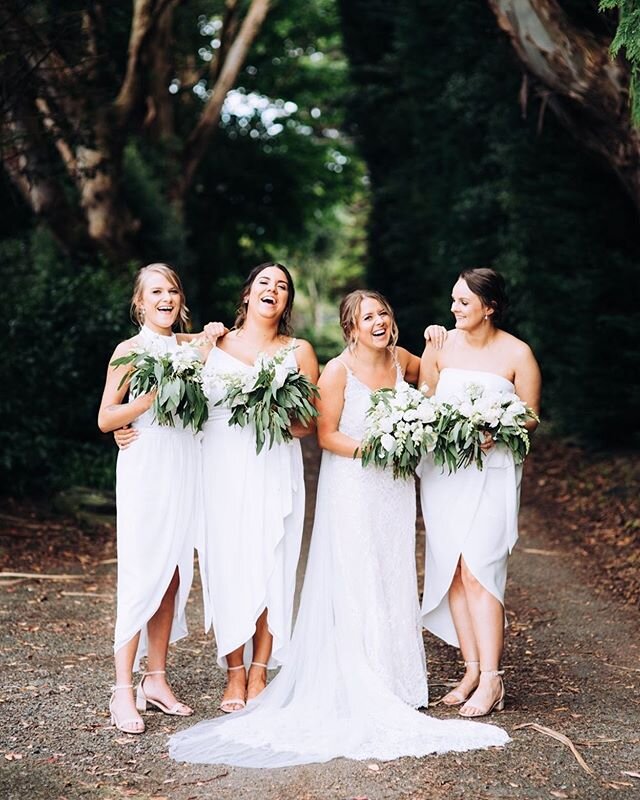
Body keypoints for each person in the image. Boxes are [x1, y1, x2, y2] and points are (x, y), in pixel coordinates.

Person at [168, 289, 509, 767]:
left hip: (392, 489)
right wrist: (378, 448)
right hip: (351, 483)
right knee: (355, 574)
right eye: (368, 317)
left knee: (392, 573)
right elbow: (325, 436)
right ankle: (355, 676)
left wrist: (437, 341)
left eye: (384, 314)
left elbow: (438, 378)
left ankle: (397, 681)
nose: (379, 322)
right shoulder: (336, 369)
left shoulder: (401, 360)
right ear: (350, 327)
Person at [98, 263, 223, 734]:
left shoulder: (192, 347)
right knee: (141, 572)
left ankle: (156, 679)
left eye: (171, 290)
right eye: (156, 291)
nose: (165, 298)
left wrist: (211, 335)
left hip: (186, 465)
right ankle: (122, 690)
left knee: (173, 574)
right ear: (140, 302)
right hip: (146, 465)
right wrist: (149, 400)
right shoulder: (129, 351)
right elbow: (107, 418)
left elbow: (227, 344)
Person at [419, 267, 541, 718]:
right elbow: (422, 404)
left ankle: (492, 680)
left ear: (489, 307)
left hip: (492, 471)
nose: (454, 308)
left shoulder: (518, 353)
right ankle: (470, 670)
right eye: (453, 300)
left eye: (464, 302)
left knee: (480, 570)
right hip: (445, 473)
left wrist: (498, 425)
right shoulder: (440, 346)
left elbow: (530, 416)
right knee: (453, 568)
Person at [199, 263, 319, 713]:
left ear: (286, 302)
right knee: (228, 563)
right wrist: (122, 427)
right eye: (265, 283)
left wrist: (274, 410)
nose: (274, 290)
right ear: (247, 294)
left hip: (274, 465)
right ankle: (233, 671)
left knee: (273, 563)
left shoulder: (300, 351)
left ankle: (259, 670)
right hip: (221, 469)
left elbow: (309, 424)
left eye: (283, 286)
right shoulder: (213, 343)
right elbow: (176, 394)